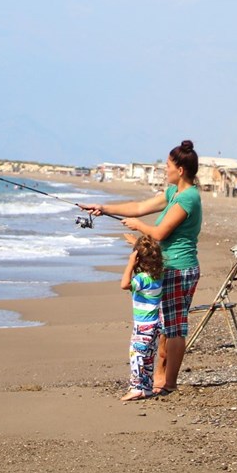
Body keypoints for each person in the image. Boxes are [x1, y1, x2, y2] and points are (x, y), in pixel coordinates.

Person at [81, 140, 201, 396]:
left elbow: (159, 231)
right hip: (165, 267)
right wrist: (102, 208)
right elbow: (139, 207)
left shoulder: (189, 198)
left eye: (168, 165)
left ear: (180, 170)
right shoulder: (173, 193)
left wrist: (138, 226)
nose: (165, 170)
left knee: (175, 327)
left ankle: (169, 383)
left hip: (180, 268)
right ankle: (159, 376)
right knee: (162, 325)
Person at [119, 235, 164, 401]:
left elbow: (124, 284)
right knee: (149, 356)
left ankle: (137, 388)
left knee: (136, 355)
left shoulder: (141, 279)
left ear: (139, 260)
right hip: (156, 324)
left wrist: (130, 263)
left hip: (143, 326)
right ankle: (147, 387)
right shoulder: (159, 276)